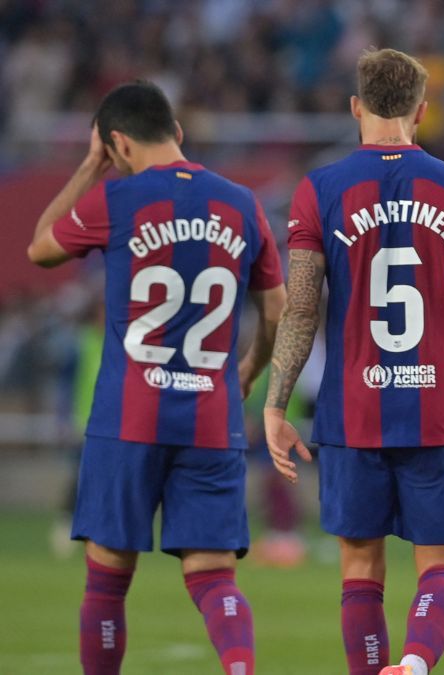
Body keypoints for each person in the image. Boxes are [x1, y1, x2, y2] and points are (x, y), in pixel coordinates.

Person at [263, 49, 444, 675]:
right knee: (442, 564)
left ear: (356, 108)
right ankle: (416, 663)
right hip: (437, 404)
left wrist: (274, 402)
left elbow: (298, 311)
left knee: (359, 566)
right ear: (422, 112)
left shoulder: (319, 189)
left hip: (353, 410)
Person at [26, 80, 285, 675]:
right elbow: (279, 308)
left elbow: (39, 248)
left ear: (116, 143)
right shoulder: (241, 204)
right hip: (211, 416)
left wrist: (90, 168)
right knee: (214, 577)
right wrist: (248, 367)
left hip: (129, 418)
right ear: (179, 134)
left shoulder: (115, 199)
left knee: (108, 581)